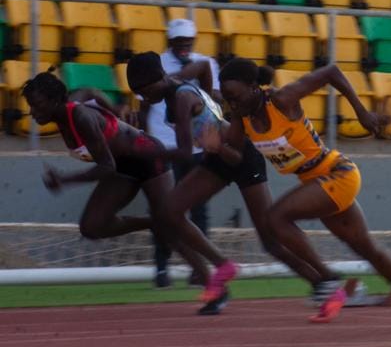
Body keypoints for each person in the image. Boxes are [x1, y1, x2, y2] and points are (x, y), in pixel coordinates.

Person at [126, 52, 351, 322]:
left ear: (154, 82)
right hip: (217, 158)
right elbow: (202, 67)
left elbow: (185, 151)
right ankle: (221, 268)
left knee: (271, 241)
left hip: (241, 156)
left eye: (142, 92)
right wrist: (210, 96)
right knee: (168, 213)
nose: (142, 99)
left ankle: (325, 284)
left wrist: (142, 152)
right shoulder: (174, 85)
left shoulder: (183, 97)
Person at [208, 59, 391, 329]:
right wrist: (217, 147)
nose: (232, 104)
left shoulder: (281, 99)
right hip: (316, 182)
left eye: (235, 97)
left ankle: (326, 278)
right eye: (228, 99)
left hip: (337, 173)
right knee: (366, 249)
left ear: (253, 87)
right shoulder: (243, 120)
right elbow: (235, 158)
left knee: (275, 218)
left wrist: (361, 111)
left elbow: (332, 72)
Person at [21, 71, 238, 314]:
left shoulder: (80, 116)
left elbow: (106, 166)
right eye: (31, 106)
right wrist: (115, 113)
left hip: (147, 157)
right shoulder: (72, 105)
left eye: (37, 106)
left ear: (54, 100)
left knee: (172, 222)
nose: (33, 113)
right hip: (123, 164)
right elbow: (92, 92)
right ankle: (152, 222)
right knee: (92, 227)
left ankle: (215, 281)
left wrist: (65, 179)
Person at [143, 18, 219, 289]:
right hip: (164, 145)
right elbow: (144, 106)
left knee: (199, 210)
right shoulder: (157, 65)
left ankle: (199, 270)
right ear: (170, 42)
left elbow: (215, 96)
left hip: (197, 146)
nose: (185, 45)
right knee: (164, 210)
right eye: (179, 41)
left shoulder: (205, 62)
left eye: (188, 41)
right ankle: (161, 269)